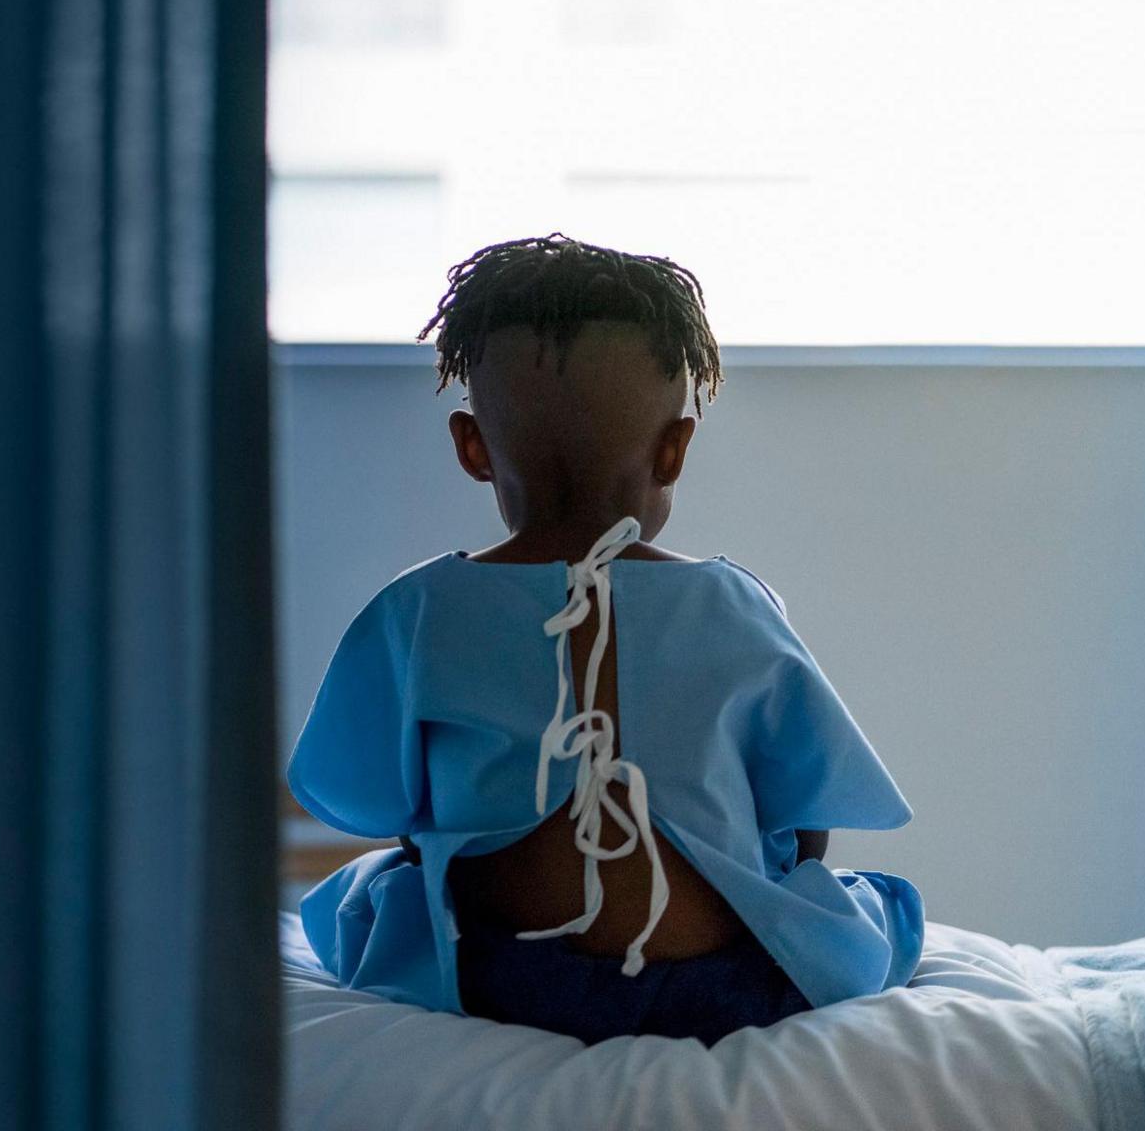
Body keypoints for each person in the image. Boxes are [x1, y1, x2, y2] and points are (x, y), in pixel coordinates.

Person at [287, 234, 924, 1046]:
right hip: (722, 986)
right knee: (870, 906)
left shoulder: (418, 610)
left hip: (504, 982)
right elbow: (808, 815)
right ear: (675, 448)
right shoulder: (732, 601)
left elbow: (371, 802)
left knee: (371, 891)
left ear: (472, 447)